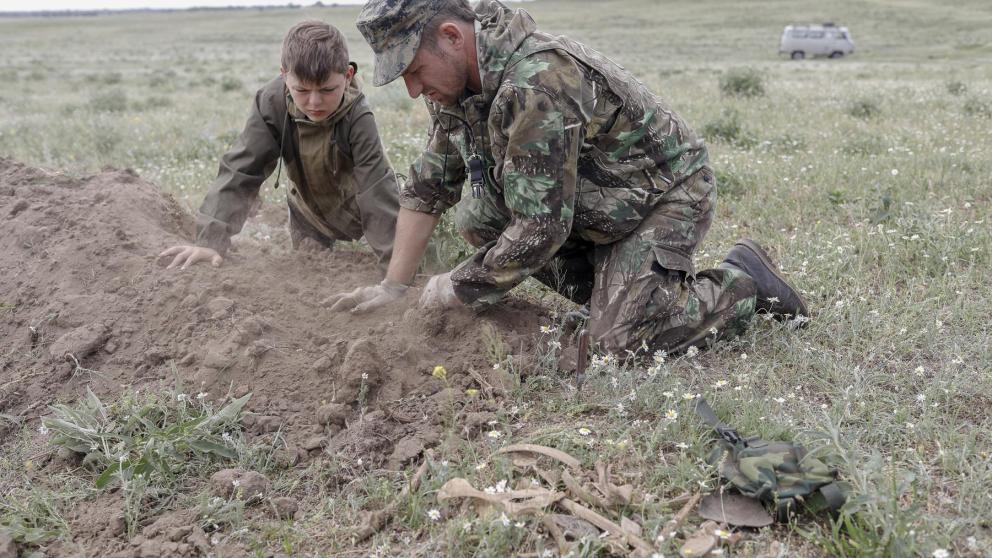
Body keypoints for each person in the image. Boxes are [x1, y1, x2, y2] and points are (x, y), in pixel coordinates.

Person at [326, 0, 809, 353]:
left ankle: (742, 281)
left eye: (414, 70)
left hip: (662, 195)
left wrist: (457, 285)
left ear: (452, 37)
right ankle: (620, 293)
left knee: (619, 342)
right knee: (480, 216)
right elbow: (430, 185)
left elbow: (541, 227)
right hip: (597, 200)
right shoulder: (458, 89)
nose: (413, 90)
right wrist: (394, 287)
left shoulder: (535, 82)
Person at [160, 20, 399, 272]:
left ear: (348, 76)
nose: (314, 102)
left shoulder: (359, 117)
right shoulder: (271, 102)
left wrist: (396, 269)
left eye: (327, 89)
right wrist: (210, 240)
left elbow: (376, 188)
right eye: (302, 90)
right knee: (309, 276)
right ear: (284, 75)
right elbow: (242, 168)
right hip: (306, 211)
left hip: (359, 212)